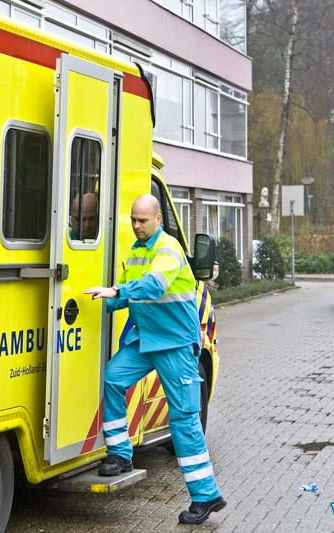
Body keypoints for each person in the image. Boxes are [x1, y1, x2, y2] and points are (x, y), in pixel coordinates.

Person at [83, 194, 225, 525]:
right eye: (133, 219)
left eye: (142, 220)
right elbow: (131, 293)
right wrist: (103, 296)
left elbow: (152, 286)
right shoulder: (136, 253)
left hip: (175, 345)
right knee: (114, 378)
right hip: (145, 340)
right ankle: (120, 454)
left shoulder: (169, 249)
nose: (136, 225)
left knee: (184, 421)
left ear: (158, 220)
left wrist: (118, 292)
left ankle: (206, 497)